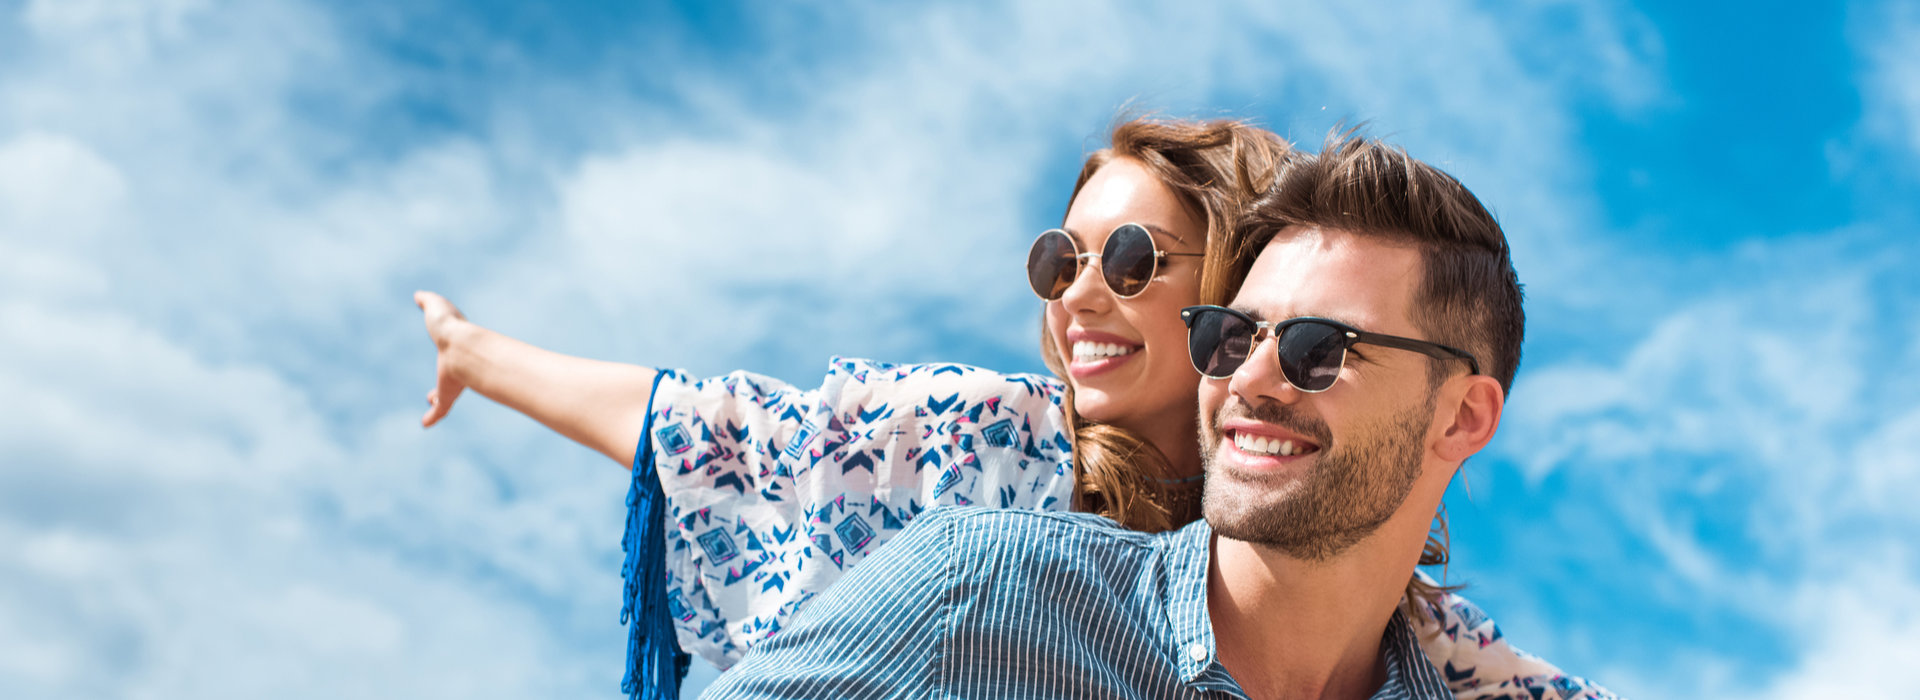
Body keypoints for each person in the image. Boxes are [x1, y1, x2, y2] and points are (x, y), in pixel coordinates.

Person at [414, 118, 1597, 699]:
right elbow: (726, 435)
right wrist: (480, 351)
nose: (1084, 293)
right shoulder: (991, 500)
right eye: (1058, 260)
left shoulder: (1418, 639)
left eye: (1135, 260)